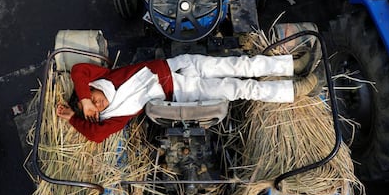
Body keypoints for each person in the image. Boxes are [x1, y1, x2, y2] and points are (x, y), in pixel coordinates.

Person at [56, 54, 318, 143]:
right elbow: (96, 135)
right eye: (93, 110)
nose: (97, 106)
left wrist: (83, 100)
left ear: (89, 89)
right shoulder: (115, 115)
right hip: (184, 90)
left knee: (240, 64)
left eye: (91, 100)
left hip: (182, 63)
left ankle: (288, 66)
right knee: (240, 89)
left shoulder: (105, 77)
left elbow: (78, 70)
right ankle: (292, 91)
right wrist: (73, 117)